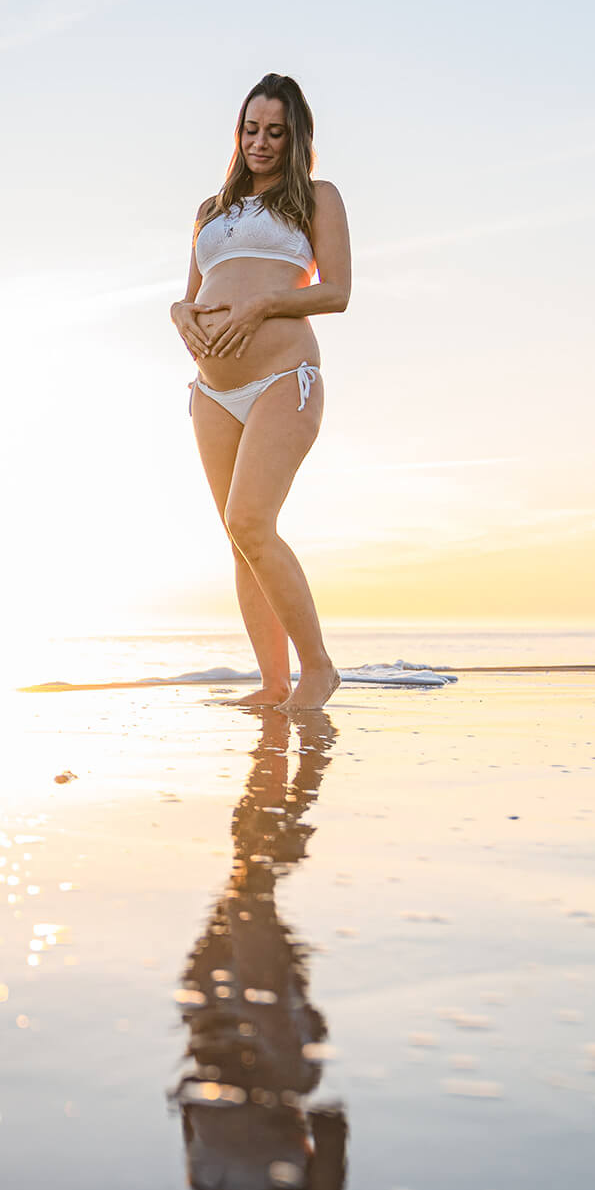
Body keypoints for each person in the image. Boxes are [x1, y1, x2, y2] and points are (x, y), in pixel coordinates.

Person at [172, 72, 352, 711]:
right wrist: (180, 314)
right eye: (251, 130)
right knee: (238, 536)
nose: (261, 143)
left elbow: (336, 292)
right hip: (214, 391)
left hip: (284, 379)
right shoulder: (211, 212)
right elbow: (190, 296)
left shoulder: (316, 198)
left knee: (251, 520)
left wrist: (263, 305)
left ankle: (318, 670)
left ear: (295, 135)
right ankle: (273, 682)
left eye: (276, 132)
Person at [173, 711, 348, 1190]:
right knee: (250, 891)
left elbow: (193, 1112)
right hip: (276, 1048)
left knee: (246, 885)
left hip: (210, 1022)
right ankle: (298, 759)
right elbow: (330, 1121)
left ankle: (289, 760)